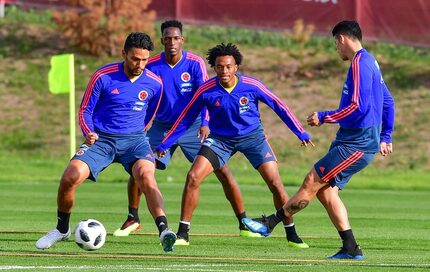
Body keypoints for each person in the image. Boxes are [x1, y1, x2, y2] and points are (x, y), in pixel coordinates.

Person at [242, 20, 395, 260]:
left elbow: (357, 106)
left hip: (356, 144)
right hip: (354, 141)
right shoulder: (370, 61)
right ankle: (351, 248)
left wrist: (323, 117)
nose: (337, 49)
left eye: (336, 43)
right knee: (326, 193)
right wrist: (385, 136)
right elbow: (388, 101)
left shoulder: (359, 64)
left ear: (342, 39)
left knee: (311, 182)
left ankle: (269, 224)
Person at [155, 42, 313, 248]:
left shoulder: (252, 85)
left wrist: (299, 131)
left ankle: (291, 233)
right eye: (219, 67)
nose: (224, 71)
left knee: (275, 183)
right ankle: (183, 233)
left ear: (236, 67)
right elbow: (185, 118)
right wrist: (165, 143)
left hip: (253, 138)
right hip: (220, 140)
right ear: (214, 67)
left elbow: (279, 106)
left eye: (228, 66)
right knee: (193, 176)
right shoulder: (206, 90)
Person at [113, 20, 257, 242]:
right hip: (162, 127)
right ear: (162, 41)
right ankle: (133, 217)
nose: (172, 42)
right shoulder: (150, 64)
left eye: (176, 38)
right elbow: (144, 95)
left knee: (223, 172)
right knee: (139, 166)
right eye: (167, 38)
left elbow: (206, 94)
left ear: (182, 40)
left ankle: (244, 221)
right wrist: (143, 122)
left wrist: (205, 122)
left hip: (193, 127)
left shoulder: (195, 63)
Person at [35, 32, 177, 252]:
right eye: (135, 59)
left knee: (147, 177)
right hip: (102, 140)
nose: (140, 64)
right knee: (69, 177)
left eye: (144, 60)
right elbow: (85, 110)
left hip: (135, 142)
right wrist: (88, 132)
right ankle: (62, 230)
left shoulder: (155, 83)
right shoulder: (103, 76)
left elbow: (151, 113)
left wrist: (139, 131)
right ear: (124, 54)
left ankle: (164, 231)